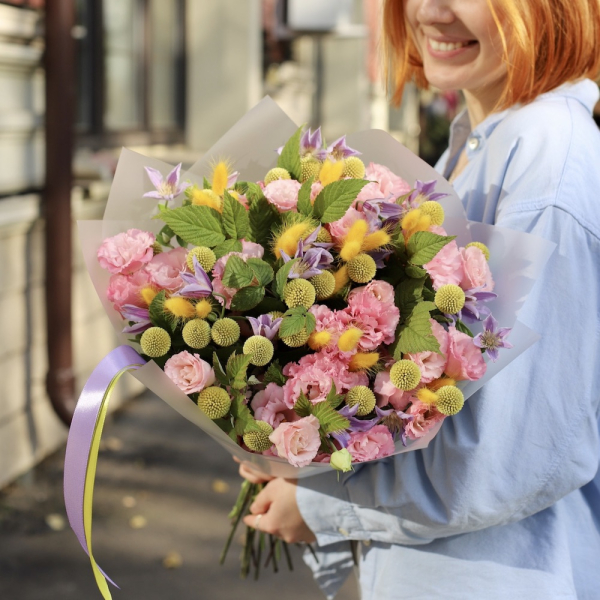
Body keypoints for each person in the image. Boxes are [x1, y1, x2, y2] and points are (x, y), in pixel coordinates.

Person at [239, 1, 600, 598]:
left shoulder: (545, 169)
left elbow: (510, 457)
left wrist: (323, 503)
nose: (430, 10)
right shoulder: (481, 144)